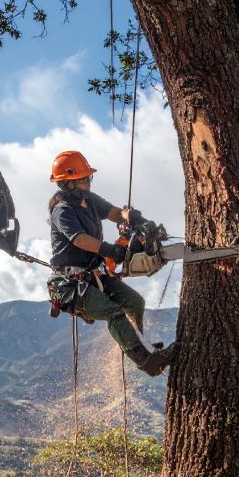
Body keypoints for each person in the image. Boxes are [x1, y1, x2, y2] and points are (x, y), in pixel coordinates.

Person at [46, 150, 179, 376]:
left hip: (94, 274)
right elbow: (79, 239)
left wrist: (134, 218)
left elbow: (115, 213)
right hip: (69, 284)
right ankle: (148, 361)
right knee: (114, 312)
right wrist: (111, 250)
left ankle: (139, 344)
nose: (88, 181)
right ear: (67, 183)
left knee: (135, 301)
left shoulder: (88, 199)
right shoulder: (63, 211)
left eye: (89, 177)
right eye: (83, 178)